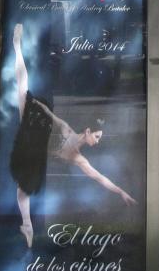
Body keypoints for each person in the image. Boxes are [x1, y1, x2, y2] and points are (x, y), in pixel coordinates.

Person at [9, 22, 136, 248]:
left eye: (99, 138)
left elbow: (99, 177)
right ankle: (17, 47)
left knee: (23, 188)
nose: (98, 140)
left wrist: (121, 192)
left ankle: (27, 225)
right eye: (96, 136)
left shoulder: (79, 158)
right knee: (22, 86)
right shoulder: (67, 129)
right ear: (87, 132)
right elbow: (52, 118)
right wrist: (37, 105)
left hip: (35, 149)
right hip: (34, 129)